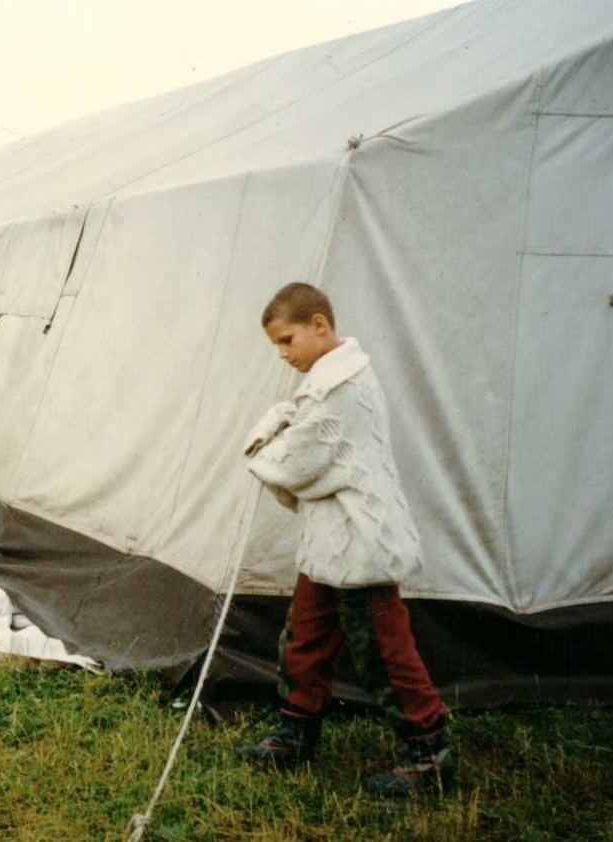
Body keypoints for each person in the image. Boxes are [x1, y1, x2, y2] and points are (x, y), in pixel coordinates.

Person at [239, 281, 455, 797]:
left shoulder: (340, 388)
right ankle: (296, 731)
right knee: (306, 636)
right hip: (330, 542)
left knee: (383, 649)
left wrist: (261, 439)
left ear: (320, 325)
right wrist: (286, 421)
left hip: (362, 543)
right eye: (277, 345)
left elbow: (297, 463)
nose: (283, 353)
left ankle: (430, 753)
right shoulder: (325, 383)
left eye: (287, 340)